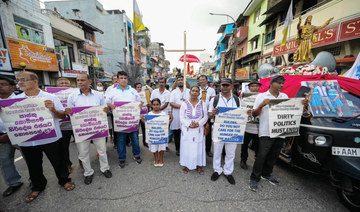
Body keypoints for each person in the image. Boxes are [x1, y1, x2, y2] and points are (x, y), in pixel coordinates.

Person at [15, 71, 75, 203]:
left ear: (35, 81)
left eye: (24, 79)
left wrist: (53, 110)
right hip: (28, 140)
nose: (20, 82)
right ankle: (38, 186)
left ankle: (64, 180)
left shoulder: (50, 97)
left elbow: (62, 115)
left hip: (50, 137)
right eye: (18, 80)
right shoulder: (14, 100)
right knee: (33, 164)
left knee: (58, 161)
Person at [249, 75, 308, 192]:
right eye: (279, 83)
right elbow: (254, 114)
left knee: (274, 155)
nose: (281, 85)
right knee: (261, 155)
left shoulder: (284, 96)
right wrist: (262, 105)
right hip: (266, 131)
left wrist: (302, 104)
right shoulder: (262, 96)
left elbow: (290, 111)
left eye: (283, 83)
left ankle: (266, 174)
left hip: (280, 131)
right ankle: (254, 178)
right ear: (271, 83)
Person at [66, 73, 112, 185]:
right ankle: (88, 172)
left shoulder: (99, 95)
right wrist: (68, 112)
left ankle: (105, 168)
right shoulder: (72, 96)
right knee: (83, 152)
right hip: (82, 130)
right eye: (78, 80)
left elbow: (105, 109)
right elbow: (69, 113)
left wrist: (106, 110)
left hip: (97, 128)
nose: (80, 82)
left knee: (101, 150)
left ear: (89, 81)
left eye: (82, 80)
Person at [106, 71, 143, 168]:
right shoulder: (112, 91)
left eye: (125, 78)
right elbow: (107, 103)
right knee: (121, 140)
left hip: (132, 120)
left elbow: (140, 102)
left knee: (135, 139)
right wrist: (110, 105)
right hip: (120, 121)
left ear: (127, 80)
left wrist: (139, 104)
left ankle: (136, 155)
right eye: (121, 78)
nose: (123, 80)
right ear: (117, 80)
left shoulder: (133, 91)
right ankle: (122, 158)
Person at [208, 78, 241, 185]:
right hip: (219, 130)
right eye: (223, 85)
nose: (225, 87)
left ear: (231, 87)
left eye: (227, 85)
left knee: (230, 153)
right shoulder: (215, 100)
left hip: (232, 130)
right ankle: (217, 170)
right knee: (217, 151)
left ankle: (228, 172)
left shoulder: (237, 100)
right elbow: (209, 115)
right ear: (220, 87)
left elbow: (240, 114)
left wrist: (247, 114)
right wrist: (212, 113)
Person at [0, 77, 23, 197]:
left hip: (21, 135)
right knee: (5, 161)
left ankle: (35, 181)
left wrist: (10, 135)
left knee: (31, 159)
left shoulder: (21, 100)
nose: (0, 86)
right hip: (2, 138)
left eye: (3, 84)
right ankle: (14, 183)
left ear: (12, 87)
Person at [179, 86, 208, 175]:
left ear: (199, 93)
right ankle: (187, 165)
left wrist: (198, 124)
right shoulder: (184, 103)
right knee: (187, 146)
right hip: (187, 129)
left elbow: (205, 116)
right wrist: (189, 124)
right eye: (193, 91)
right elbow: (181, 117)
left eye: (196, 91)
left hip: (198, 129)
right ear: (190, 92)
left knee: (198, 147)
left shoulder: (202, 103)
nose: (194, 92)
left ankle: (198, 165)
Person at [141, 98, 173, 167]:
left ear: (160, 105)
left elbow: (167, 123)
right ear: (151, 105)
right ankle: (156, 159)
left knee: (162, 147)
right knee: (154, 147)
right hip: (153, 135)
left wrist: (171, 119)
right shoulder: (149, 114)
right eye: (154, 105)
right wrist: (142, 119)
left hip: (161, 134)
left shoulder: (163, 114)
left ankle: (161, 159)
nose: (156, 106)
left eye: (157, 104)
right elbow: (147, 124)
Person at [240, 80, 262, 170]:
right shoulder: (244, 97)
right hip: (246, 127)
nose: (255, 88)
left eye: (257, 86)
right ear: (249, 88)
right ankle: (243, 161)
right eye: (252, 86)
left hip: (258, 128)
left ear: (259, 87)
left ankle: (257, 164)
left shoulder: (263, 97)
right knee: (244, 146)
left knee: (258, 148)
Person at [169, 75, 190, 156]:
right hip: (177, 115)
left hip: (187, 115)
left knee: (186, 132)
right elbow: (171, 103)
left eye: (182, 80)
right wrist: (182, 106)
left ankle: (186, 149)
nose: (180, 81)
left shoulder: (188, 91)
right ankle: (178, 149)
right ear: (176, 82)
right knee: (176, 134)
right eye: (179, 80)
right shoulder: (173, 92)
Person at [56, 78, 73, 174]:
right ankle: (67, 164)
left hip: (76, 124)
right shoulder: (53, 96)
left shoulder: (74, 93)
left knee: (81, 145)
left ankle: (82, 161)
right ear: (57, 85)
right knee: (63, 148)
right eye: (61, 83)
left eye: (66, 83)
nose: (64, 84)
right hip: (62, 126)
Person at [198, 75, 216, 157]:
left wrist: (209, 111)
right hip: (198, 114)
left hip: (207, 114)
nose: (202, 81)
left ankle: (208, 150)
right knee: (199, 132)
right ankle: (199, 149)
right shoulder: (197, 89)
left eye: (203, 79)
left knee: (208, 133)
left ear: (206, 80)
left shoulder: (211, 90)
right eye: (200, 80)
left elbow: (212, 101)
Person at [135, 82, 149, 148]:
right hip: (137, 115)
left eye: (140, 87)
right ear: (135, 88)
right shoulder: (133, 94)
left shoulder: (144, 93)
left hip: (144, 113)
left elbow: (148, 102)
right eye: (138, 87)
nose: (139, 88)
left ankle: (145, 142)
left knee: (144, 129)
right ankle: (136, 143)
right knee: (136, 130)